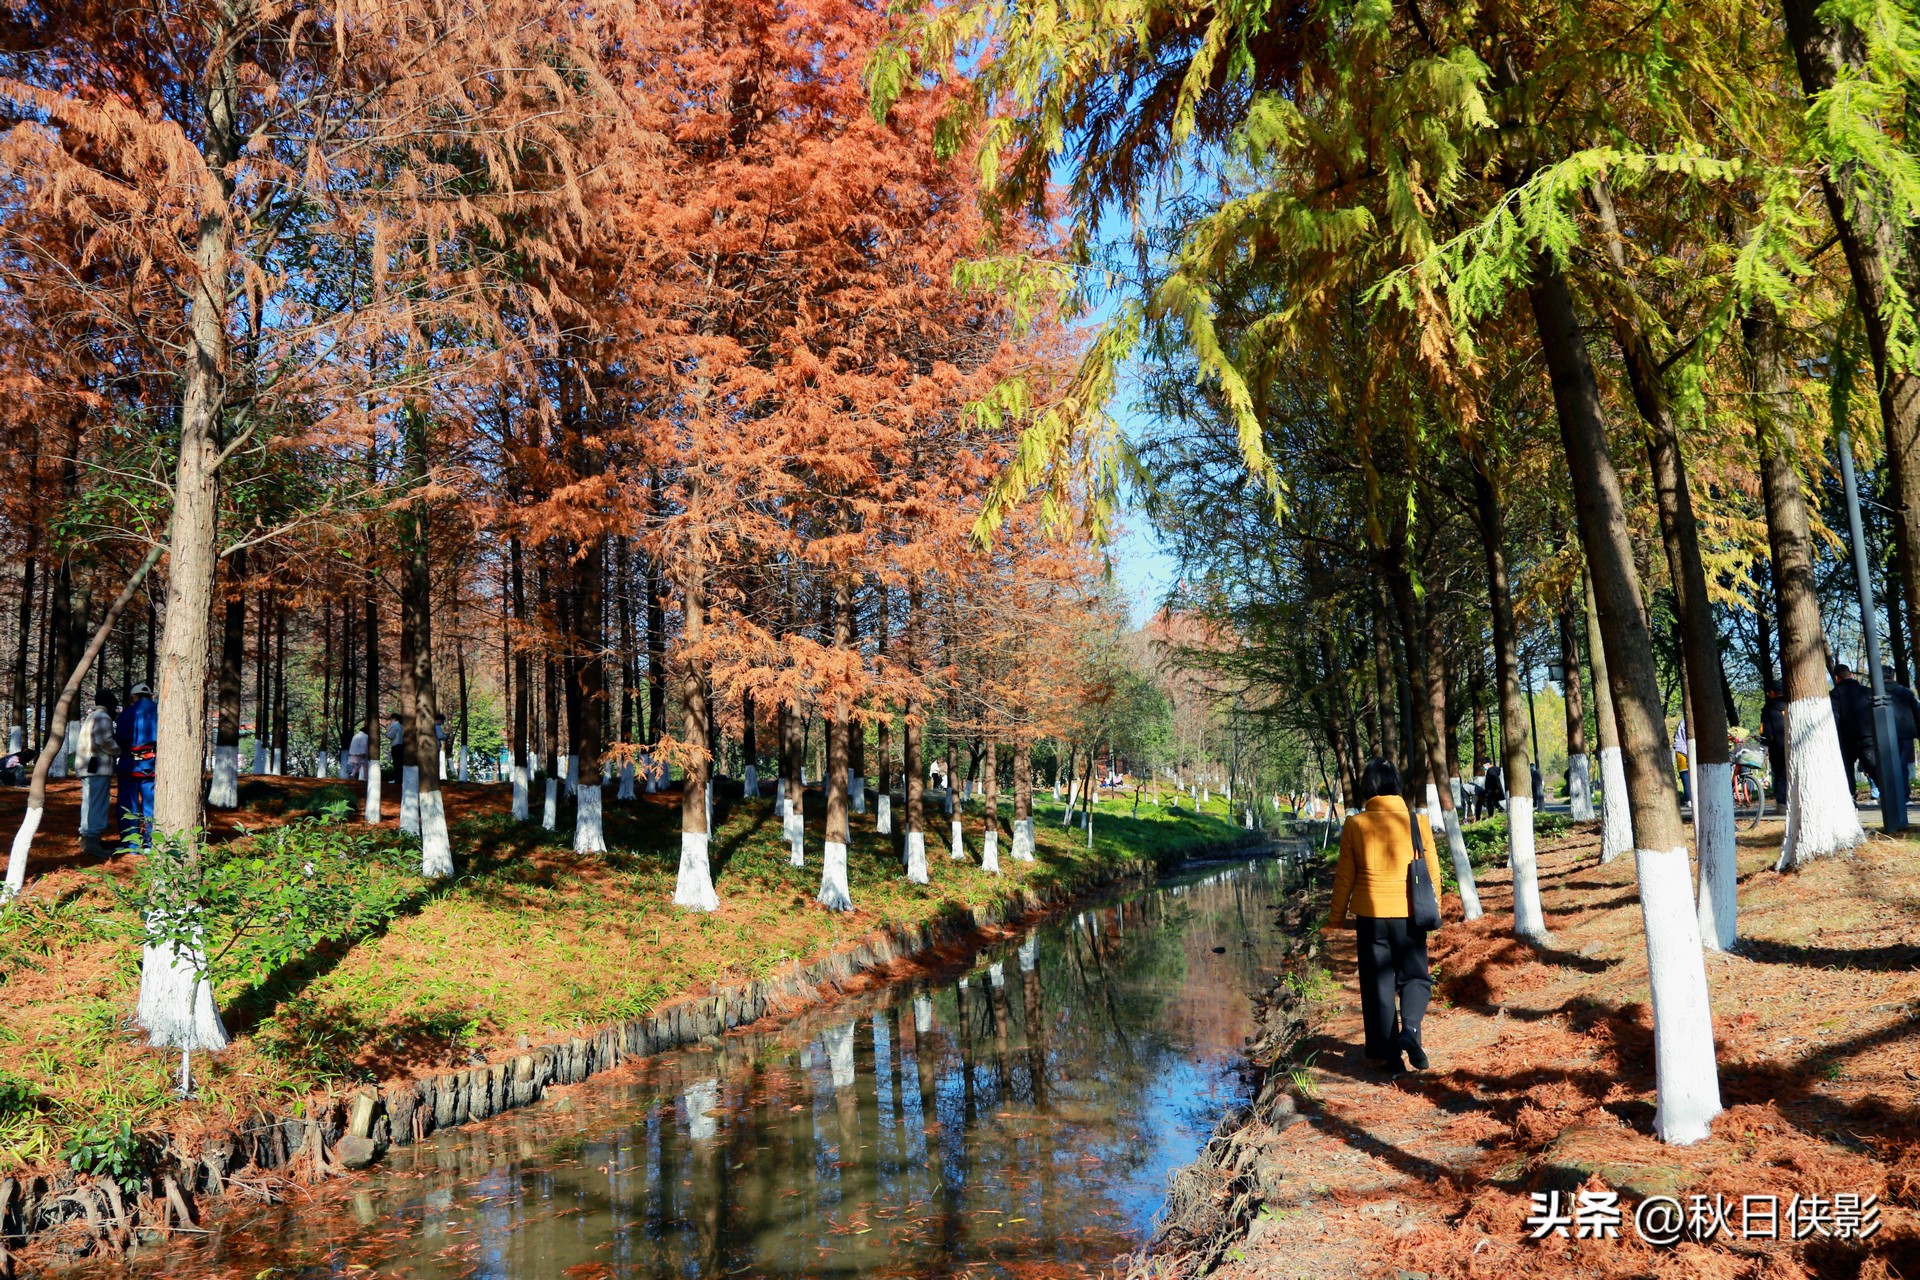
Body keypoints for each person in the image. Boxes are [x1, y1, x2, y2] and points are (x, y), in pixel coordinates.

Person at [1323, 757, 1443, 1076]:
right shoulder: (1418, 822)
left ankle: (1390, 1058)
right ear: (1396, 786)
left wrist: (1335, 920)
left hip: (1371, 916)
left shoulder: (1356, 824)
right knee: (1415, 977)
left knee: (1378, 984)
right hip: (1410, 914)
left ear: (1368, 787)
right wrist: (1436, 909)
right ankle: (1412, 1031)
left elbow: (1344, 877)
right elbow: (1432, 872)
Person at [115, 683, 158, 851]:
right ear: (150, 696)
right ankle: (152, 842)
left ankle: (131, 844)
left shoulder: (126, 713)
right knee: (152, 805)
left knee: (128, 805)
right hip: (153, 766)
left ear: (134, 696)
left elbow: (120, 739)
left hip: (129, 767)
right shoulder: (160, 711)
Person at [78, 690, 119, 859]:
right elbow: (105, 741)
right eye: (114, 705)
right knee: (97, 804)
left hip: (88, 766)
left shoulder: (92, 716)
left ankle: (87, 838)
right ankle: (92, 842)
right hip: (98, 767)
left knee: (89, 803)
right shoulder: (103, 717)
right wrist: (119, 751)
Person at [1831, 664, 1878, 800]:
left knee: (1847, 771)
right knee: (1874, 768)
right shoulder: (1867, 691)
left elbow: (1835, 717)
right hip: (1868, 735)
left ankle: (1851, 798)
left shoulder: (1835, 694)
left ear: (1836, 678)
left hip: (1846, 739)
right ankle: (1889, 796)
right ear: (1851, 675)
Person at [1883, 667, 1920, 802]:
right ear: (1893, 676)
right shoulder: (1906, 692)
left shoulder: (1876, 693)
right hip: (1906, 733)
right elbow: (1916, 713)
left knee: (1885, 765)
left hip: (1885, 733)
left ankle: (1890, 796)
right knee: (1902, 764)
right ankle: (1905, 795)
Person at [1759, 681, 1787, 805]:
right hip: (1794, 744)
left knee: (1779, 772)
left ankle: (1781, 801)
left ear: (1772, 693)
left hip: (1777, 746)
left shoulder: (1768, 709)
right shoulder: (1790, 704)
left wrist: (1764, 748)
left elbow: (1766, 731)